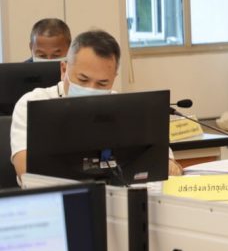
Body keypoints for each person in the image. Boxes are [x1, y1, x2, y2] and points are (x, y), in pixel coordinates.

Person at [10, 29, 183, 179]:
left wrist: (170, 166)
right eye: (83, 79)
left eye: (102, 83)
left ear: (113, 79)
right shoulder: (32, 103)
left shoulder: (124, 107)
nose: (91, 89)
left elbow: (163, 161)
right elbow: (26, 171)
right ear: (64, 70)